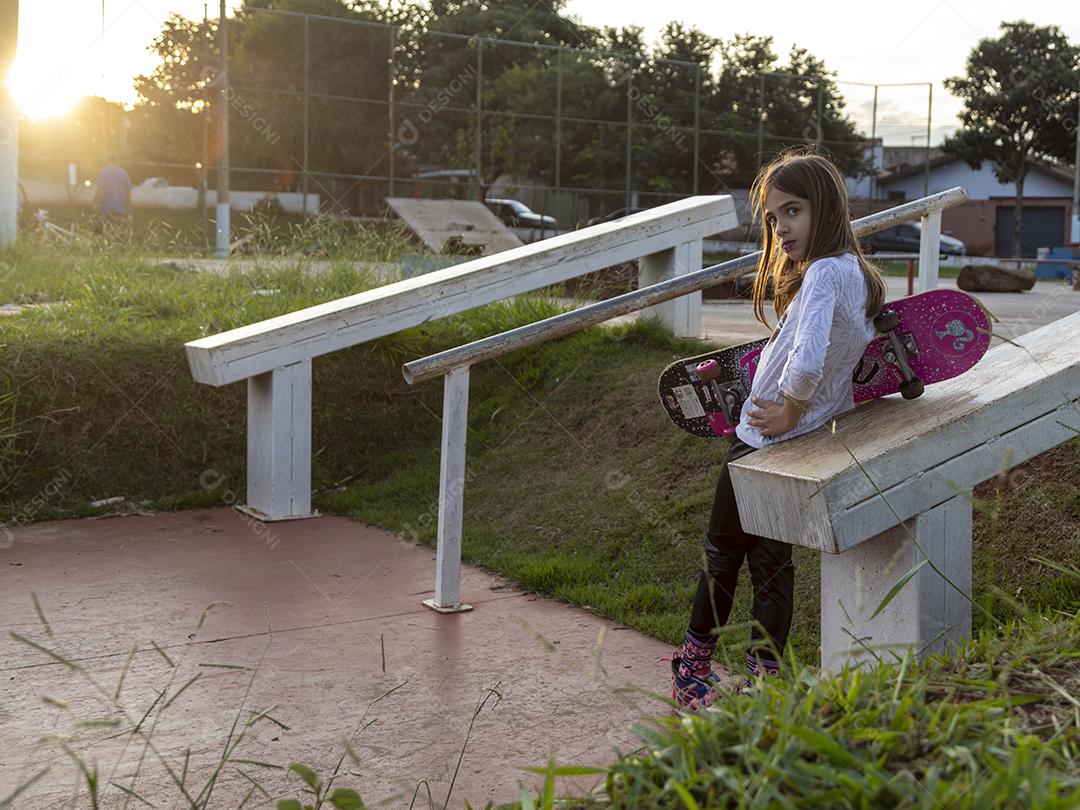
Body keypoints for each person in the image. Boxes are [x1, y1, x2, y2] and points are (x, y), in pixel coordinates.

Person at [668, 149, 888, 710]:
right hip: (798, 444)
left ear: (827, 208)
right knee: (772, 565)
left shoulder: (820, 275)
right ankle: (765, 681)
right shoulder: (856, 276)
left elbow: (811, 358)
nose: (780, 227)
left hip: (762, 440)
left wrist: (788, 405)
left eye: (792, 211)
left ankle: (690, 672)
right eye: (772, 218)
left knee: (722, 554)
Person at [93, 153, 133, 235]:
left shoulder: (103, 171)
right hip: (120, 209)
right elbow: (128, 193)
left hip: (106, 208)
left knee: (105, 232)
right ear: (117, 162)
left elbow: (100, 189)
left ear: (107, 162)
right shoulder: (124, 173)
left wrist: (96, 202)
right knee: (116, 232)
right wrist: (129, 211)